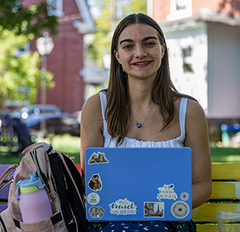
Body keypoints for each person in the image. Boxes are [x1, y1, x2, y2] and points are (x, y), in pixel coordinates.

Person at [80, 13, 212, 231]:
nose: (139, 53)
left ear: (162, 49)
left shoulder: (189, 111)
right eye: (128, 46)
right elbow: (92, 184)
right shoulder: (96, 107)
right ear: (117, 56)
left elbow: (202, 185)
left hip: (169, 221)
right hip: (110, 222)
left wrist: (157, 208)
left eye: (149, 43)